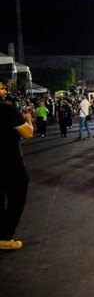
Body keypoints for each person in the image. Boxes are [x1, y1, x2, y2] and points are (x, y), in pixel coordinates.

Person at [0, 82, 34, 250]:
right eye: (1, 88)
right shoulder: (7, 110)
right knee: (17, 199)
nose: (4, 91)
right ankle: (5, 237)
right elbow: (27, 133)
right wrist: (28, 120)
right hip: (9, 163)